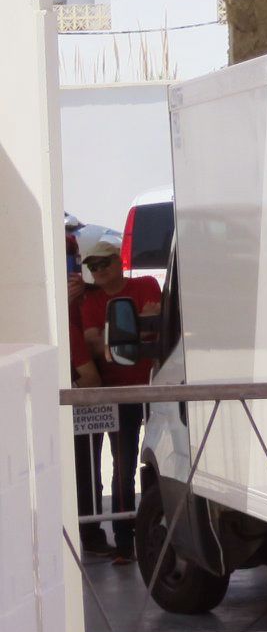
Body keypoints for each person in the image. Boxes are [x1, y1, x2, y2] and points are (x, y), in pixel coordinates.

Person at [77, 233, 160, 565]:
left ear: (117, 263)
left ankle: (145, 534)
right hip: (118, 393)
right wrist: (139, 330)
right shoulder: (91, 302)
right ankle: (125, 543)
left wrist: (117, 338)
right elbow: (94, 345)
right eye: (91, 266)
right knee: (122, 467)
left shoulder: (146, 283)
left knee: (160, 463)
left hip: (156, 387)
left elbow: (159, 326)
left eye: (102, 263)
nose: (96, 270)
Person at [64, 226, 111, 558]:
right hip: (73, 380)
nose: (74, 268)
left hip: (95, 383)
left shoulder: (90, 289)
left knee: (88, 463)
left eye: (75, 260)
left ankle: (91, 535)